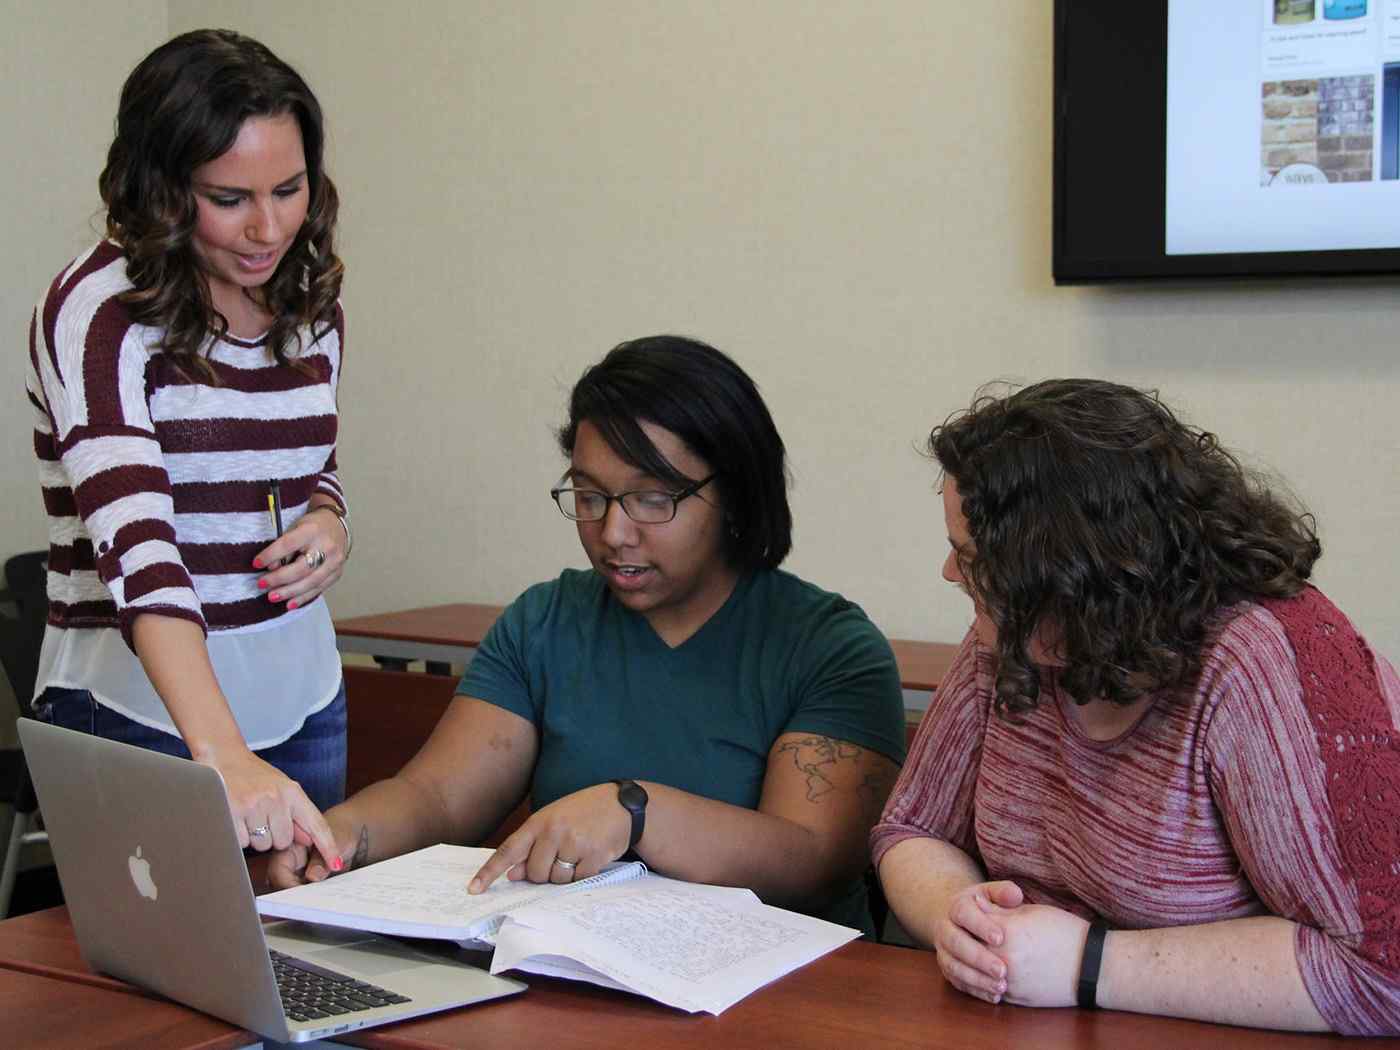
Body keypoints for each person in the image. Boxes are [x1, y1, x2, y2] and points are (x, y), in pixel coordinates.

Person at [271, 336, 906, 933]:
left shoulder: (830, 647)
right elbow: (436, 797)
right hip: (574, 972)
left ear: (736, 493)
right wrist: (346, 835)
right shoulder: (545, 622)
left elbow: (813, 861)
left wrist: (636, 812)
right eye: (590, 495)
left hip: (773, 992)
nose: (614, 533)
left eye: (652, 499)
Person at [874, 378, 1400, 1035]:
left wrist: (1087, 966)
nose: (950, 573)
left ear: (1070, 570)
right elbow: (911, 830)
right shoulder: (1017, 635)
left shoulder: (1263, 661)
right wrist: (961, 917)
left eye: (974, 556)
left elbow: (1383, 969)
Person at [26, 29, 349, 865]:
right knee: (152, 986)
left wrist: (329, 517)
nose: (268, 227)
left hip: (301, 692)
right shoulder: (97, 311)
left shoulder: (308, 303)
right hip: (143, 711)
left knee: (304, 972)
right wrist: (223, 754)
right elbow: (140, 548)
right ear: (162, 188)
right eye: (229, 197)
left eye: (289, 188)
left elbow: (307, 462)